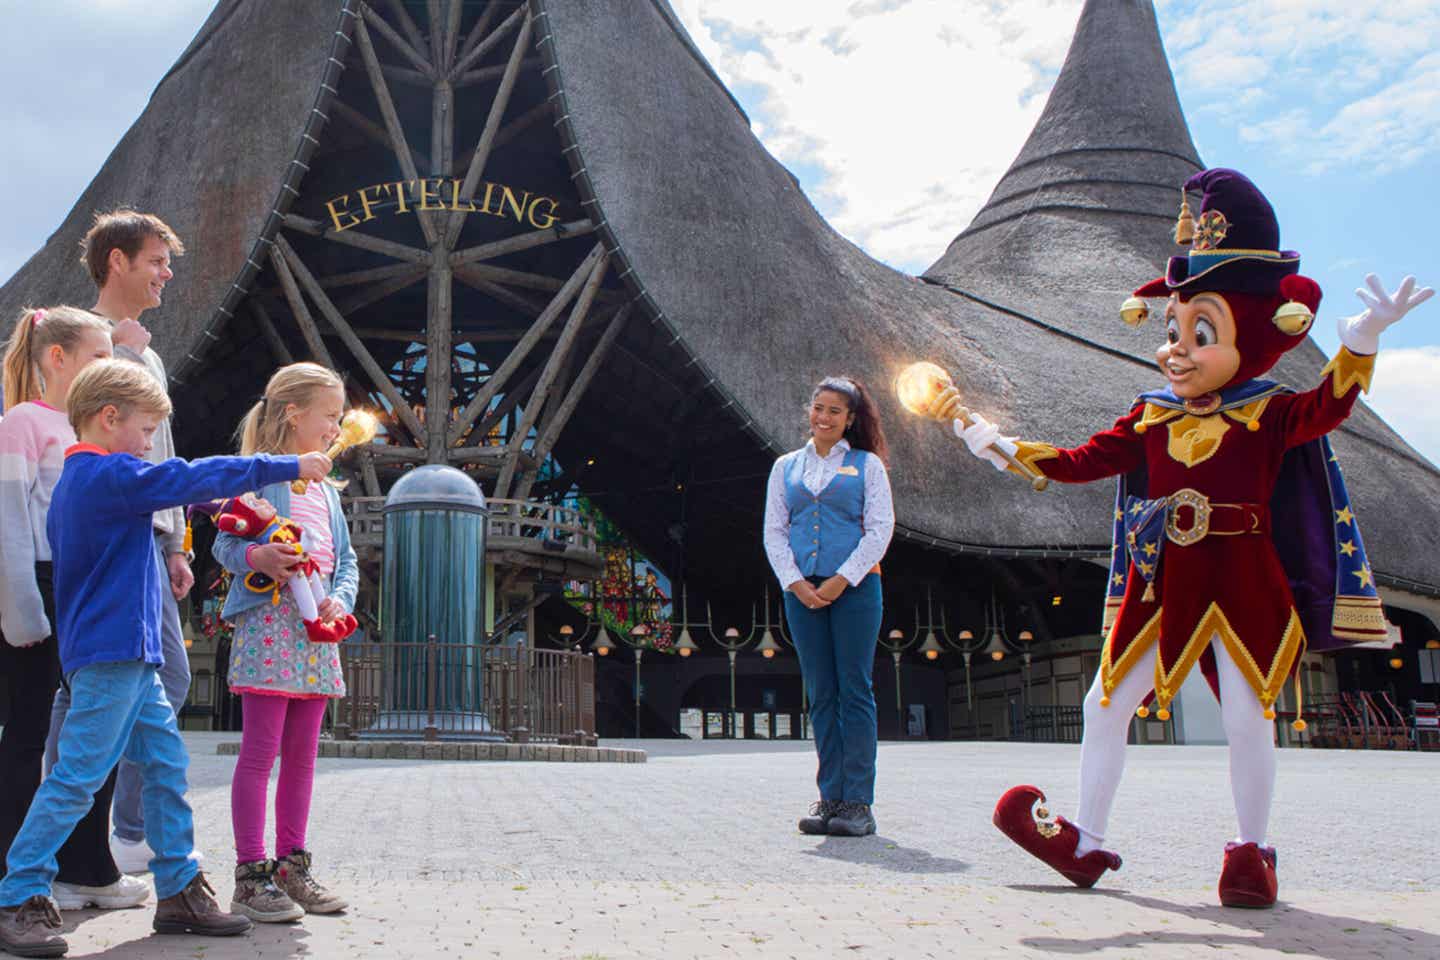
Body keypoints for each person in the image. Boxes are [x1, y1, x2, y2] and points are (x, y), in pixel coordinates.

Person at [960, 169, 1433, 907]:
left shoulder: (1269, 413)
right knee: (1103, 704)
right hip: (1163, 577)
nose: (1176, 349)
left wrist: (1361, 344)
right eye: (1173, 331)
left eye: (1199, 332)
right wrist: (1001, 444)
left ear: (1250, 334)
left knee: (1248, 716)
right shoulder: (1150, 415)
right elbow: (1084, 460)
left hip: (1245, 576)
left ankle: (1252, 853)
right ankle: (1085, 839)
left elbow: (1326, 408)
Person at [0, 359, 331, 956]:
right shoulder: (109, 475)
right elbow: (186, 475)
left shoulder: (94, 479)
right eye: (147, 429)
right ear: (109, 418)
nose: (151, 443)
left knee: (166, 768)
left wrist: (220, 505)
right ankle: (16, 895)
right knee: (77, 778)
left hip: (129, 657)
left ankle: (178, 887)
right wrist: (287, 466)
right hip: (114, 657)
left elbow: (183, 488)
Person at [43, 211, 193, 876]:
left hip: (151, 536)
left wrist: (179, 541)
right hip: (106, 530)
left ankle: (103, 834)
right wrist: (124, 354)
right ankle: (107, 835)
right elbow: (77, 431)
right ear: (117, 263)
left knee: (118, 689)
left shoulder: (146, 351)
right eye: (157, 260)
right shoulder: (84, 338)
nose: (166, 273)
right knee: (103, 688)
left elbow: (162, 450)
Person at [0, 307, 148, 912]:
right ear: (56, 357)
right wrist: (22, 610)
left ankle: (87, 864)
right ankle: (15, 860)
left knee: (98, 733)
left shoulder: (95, 432)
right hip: (42, 586)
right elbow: (9, 521)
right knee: (29, 735)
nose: (107, 365)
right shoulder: (22, 424)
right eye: (98, 355)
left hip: (89, 589)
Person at [213, 362, 357, 922]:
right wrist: (258, 557)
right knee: (259, 754)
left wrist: (339, 600)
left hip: (318, 631)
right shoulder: (256, 477)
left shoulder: (330, 493)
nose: (335, 428)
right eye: (329, 416)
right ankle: (251, 874)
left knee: (302, 757)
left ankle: (292, 868)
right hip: (270, 625)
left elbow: (345, 564)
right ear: (294, 413)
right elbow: (225, 547)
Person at [763, 376, 894, 838]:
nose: (824, 417)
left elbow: (880, 530)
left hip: (856, 589)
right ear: (810, 410)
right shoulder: (785, 467)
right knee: (820, 693)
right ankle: (830, 797)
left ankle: (858, 802)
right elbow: (775, 531)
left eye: (835, 411)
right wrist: (796, 584)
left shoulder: (867, 466)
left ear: (850, 419)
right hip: (801, 592)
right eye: (819, 408)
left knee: (854, 690)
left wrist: (841, 580)